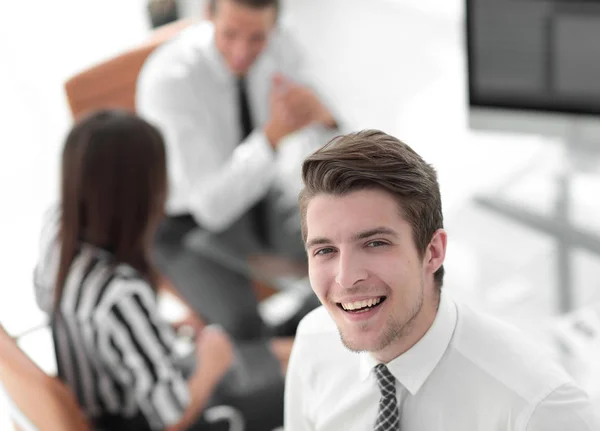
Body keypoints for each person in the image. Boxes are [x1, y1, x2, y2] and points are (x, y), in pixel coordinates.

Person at [284, 130, 600, 430]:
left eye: (375, 243)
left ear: (432, 252)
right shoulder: (314, 341)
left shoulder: (539, 408)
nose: (346, 277)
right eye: (325, 250)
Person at [136, 0, 342, 339]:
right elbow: (209, 207)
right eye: (230, 34)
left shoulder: (281, 43)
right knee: (247, 337)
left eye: (257, 38)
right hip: (184, 224)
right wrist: (272, 138)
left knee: (347, 262)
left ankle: (297, 330)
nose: (242, 52)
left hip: (258, 191)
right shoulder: (170, 81)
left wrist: (325, 117)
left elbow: (331, 124)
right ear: (207, 14)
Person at [38, 110, 236, 431]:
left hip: (95, 394)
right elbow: (172, 417)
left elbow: (72, 314)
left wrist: (145, 331)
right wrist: (212, 364)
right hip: (135, 419)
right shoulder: (119, 293)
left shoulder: (57, 229)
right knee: (273, 375)